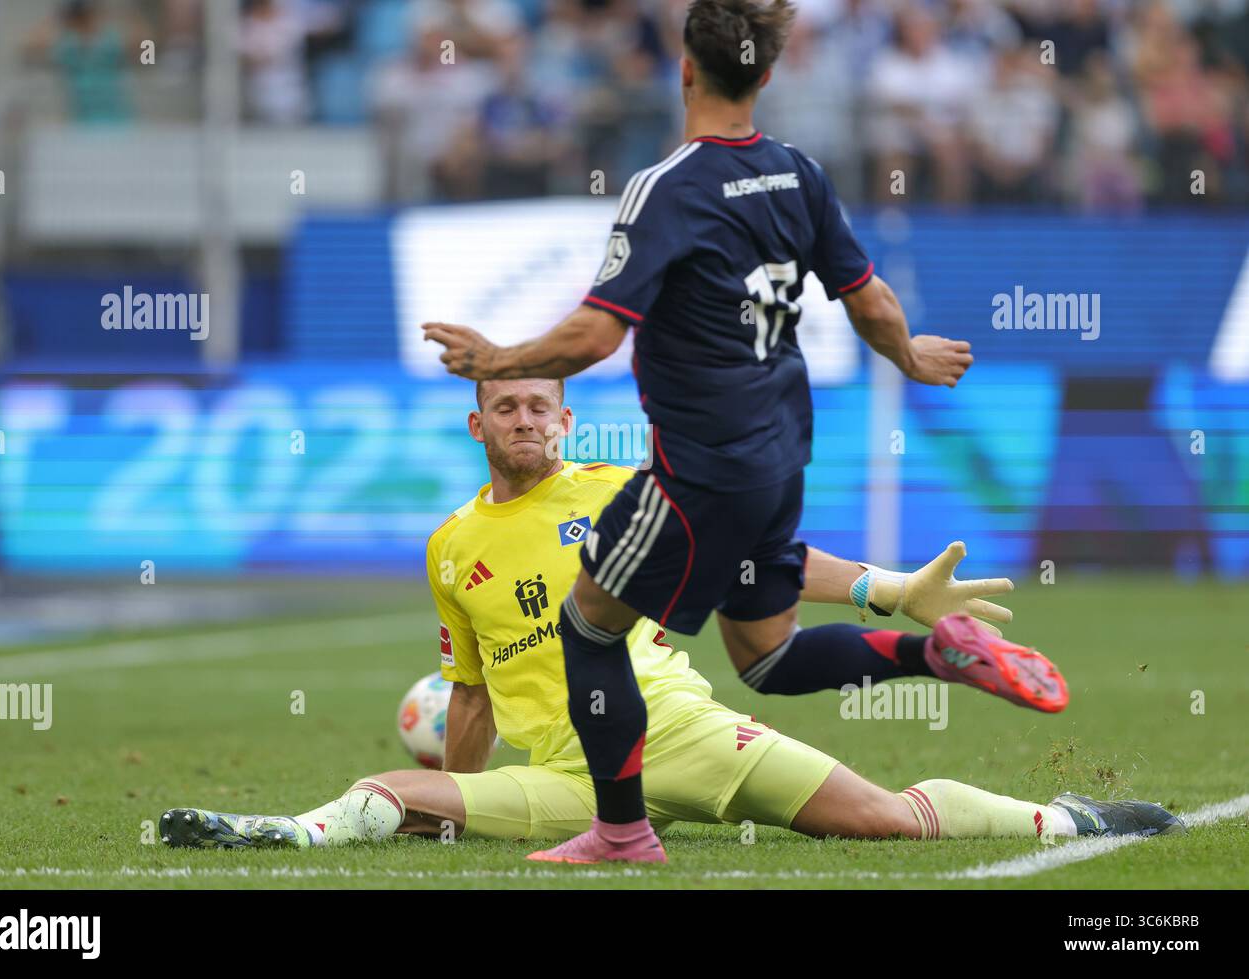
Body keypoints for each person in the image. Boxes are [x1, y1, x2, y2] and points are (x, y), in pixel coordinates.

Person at [421, 0, 1059, 864]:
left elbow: (596, 334)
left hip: (699, 461)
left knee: (589, 628)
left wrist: (503, 352)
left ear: (685, 69)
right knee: (765, 655)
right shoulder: (798, 172)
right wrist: (909, 356)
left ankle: (620, 833)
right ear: (766, 76)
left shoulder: (667, 187)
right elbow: (867, 297)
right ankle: (933, 653)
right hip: (779, 453)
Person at [160, 379, 1180, 854]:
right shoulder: (447, 548)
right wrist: (453, 800)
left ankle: (1069, 819)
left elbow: (756, 562)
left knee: (883, 820)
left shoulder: (617, 487)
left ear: (566, 418)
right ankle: (274, 836)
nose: (525, 421)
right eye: (505, 407)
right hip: (563, 776)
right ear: (477, 424)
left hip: (682, 732)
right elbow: (469, 694)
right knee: (388, 788)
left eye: (541, 406)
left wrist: (882, 586)